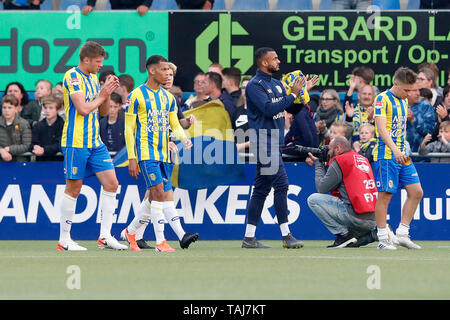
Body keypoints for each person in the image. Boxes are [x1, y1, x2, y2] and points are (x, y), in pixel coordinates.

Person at [120, 55, 197, 252]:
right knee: (158, 192)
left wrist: (183, 138)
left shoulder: (169, 98)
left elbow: (174, 124)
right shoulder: (136, 95)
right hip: (146, 152)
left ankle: (131, 232)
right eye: (163, 70)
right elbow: (129, 129)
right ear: (152, 71)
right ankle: (160, 242)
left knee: (157, 195)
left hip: (164, 153)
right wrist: (131, 157)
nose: (167, 74)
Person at [57, 41, 126, 251]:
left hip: (95, 142)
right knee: (74, 187)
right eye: (97, 61)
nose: (100, 65)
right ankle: (64, 239)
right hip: (75, 141)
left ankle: (105, 236)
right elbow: (83, 109)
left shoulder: (94, 77)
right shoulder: (73, 76)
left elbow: (102, 112)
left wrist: (107, 92)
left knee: (112, 183)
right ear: (86, 59)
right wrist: (102, 95)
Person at [242, 47, 309, 249]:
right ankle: (286, 235)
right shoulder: (255, 85)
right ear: (264, 62)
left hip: (273, 142)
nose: (278, 61)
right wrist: (293, 94)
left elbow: (291, 109)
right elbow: (269, 109)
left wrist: (303, 94)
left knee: (261, 189)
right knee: (281, 185)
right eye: (275, 58)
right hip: (263, 141)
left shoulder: (277, 85)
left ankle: (249, 237)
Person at [373, 67, 423, 250]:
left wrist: (401, 150)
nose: (409, 94)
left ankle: (402, 233)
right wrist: (394, 150)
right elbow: (381, 129)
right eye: (406, 90)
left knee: (416, 192)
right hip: (387, 155)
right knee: (385, 195)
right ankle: (383, 239)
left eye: (412, 90)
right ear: (396, 84)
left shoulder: (403, 101)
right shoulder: (382, 99)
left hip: (403, 154)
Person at [306, 136, 379, 248]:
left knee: (313, 199)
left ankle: (344, 235)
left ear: (338, 149)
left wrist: (318, 163)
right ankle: (369, 235)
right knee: (351, 243)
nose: (328, 153)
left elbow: (322, 188)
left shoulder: (340, 160)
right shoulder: (360, 158)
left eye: (330, 149)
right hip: (374, 219)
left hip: (356, 216)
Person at [405, 80, 436, 157]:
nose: (418, 93)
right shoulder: (397, 105)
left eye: (418, 90)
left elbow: (430, 132)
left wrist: (414, 120)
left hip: (420, 157)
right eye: (415, 91)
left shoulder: (425, 106)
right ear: (406, 91)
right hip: (399, 156)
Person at [30, 95, 64, 162]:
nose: (47, 111)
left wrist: (44, 150)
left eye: (51, 108)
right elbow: (32, 143)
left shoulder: (62, 125)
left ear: (57, 110)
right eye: (45, 108)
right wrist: (35, 147)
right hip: (40, 161)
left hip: (58, 161)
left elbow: (60, 144)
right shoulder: (38, 125)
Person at [0, 95, 32, 162]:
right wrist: (1, 150)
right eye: (4, 107)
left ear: (16, 109)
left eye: (10, 108)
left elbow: (27, 145)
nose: (6, 110)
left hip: (20, 160)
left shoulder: (24, 124)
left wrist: (9, 149)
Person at [82, 0, 153, 16]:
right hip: (117, 8)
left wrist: (146, 5)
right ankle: (100, 28)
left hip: (138, 9)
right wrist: (90, 5)